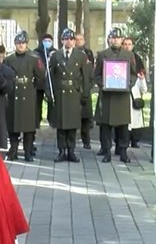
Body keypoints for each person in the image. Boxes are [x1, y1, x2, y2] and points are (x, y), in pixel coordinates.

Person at [95, 28, 136, 163]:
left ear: (122, 39)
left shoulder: (129, 55)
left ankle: (123, 151)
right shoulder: (102, 54)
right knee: (106, 125)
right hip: (107, 96)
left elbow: (134, 74)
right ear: (109, 39)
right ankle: (107, 151)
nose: (116, 40)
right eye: (113, 38)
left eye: (118, 38)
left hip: (122, 96)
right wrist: (104, 85)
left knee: (124, 125)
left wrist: (128, 84)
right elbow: (97, 75)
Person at [2, 31, 43, 161]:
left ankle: (28, 152)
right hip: (13, 94)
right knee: (13, 125)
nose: (20, 45)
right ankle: (13, 151)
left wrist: (33, 86)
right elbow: (5, 76)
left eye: (23, 43)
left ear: (26, 44)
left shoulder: (34, 58)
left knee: (28, 126)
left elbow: (40, 75)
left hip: (28, 95)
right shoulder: (9, 59)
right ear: (15, 44)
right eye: (18, 43)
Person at [50, 29, 88, 162]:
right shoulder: (55, 56)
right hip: (60, 93)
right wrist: (50, 94)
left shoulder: (81, 56)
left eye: (72, 39)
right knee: (60, 125)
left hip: (74, 93)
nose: (69, 41)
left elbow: (86, 76)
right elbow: (50, 75)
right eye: (66, 39)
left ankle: (71, 150)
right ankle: (61, 151)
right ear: (62, 40)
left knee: (72, 124)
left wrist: (85, 94)